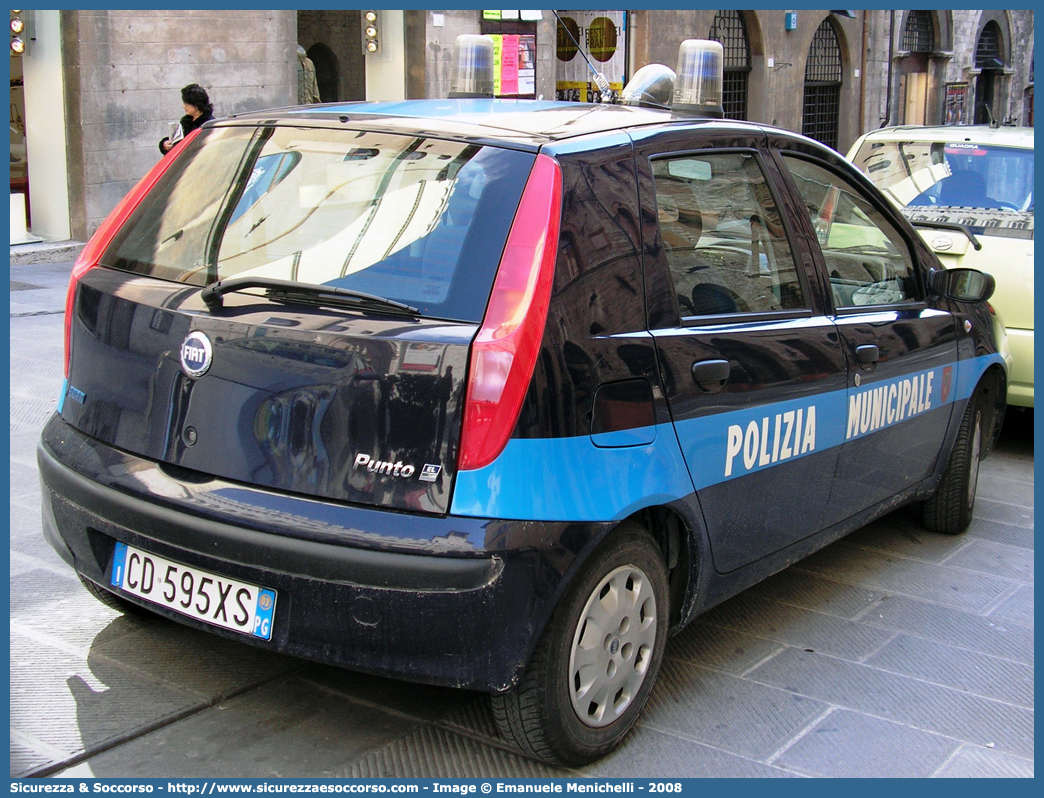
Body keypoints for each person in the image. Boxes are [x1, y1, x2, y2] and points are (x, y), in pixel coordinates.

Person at [158, 84, 214, 155]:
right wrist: (165, 144)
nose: (183, 106)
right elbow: (177, 140)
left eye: (186, 103)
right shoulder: (186, 121)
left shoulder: (209, 125)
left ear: (196, 105)